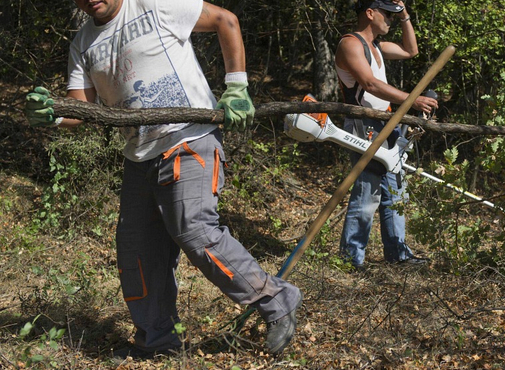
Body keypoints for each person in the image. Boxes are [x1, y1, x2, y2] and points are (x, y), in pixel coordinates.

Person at [23, 0, 302, 358]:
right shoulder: (83, 42)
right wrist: (54, 115)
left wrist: (237, 86)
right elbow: (82, 107)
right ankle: (158, 344)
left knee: (195, 229)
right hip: (139, 156)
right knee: (138, 250)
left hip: (189, 137)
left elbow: (225, 20)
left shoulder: (154, 5)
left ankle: (276, 299)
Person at [335, 0, 439, 270]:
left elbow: (410, 50)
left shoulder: (378, 47)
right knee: (367, 194)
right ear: (370, 13)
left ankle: (399, 255)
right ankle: (350, 261)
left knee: (395, 193)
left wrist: (405, 15)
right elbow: (370, 83)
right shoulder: (350, 44)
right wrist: (413, 100)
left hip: (387, 124)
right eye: (388, 15)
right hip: (363, 124)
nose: (391, 21)